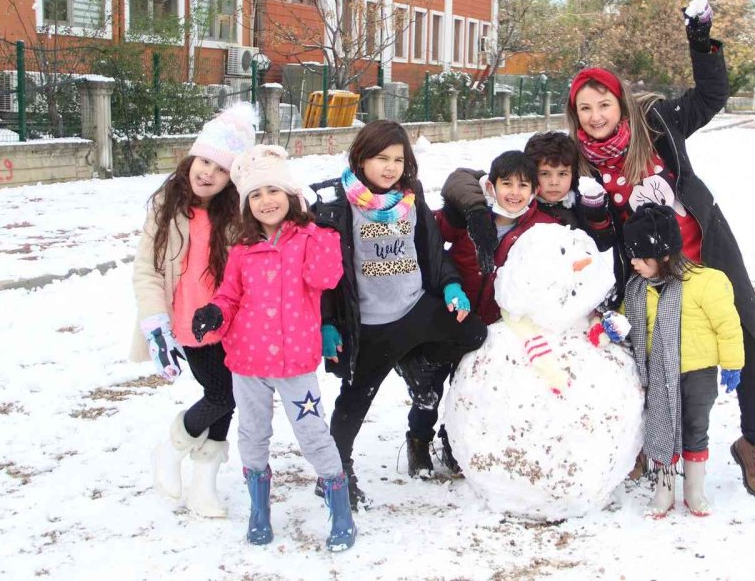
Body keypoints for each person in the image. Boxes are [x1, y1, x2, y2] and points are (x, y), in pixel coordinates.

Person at [563, 0, 755, 500]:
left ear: (620, 103)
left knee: (747, 340)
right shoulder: (578, 161)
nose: (595, 116)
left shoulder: (657, 124)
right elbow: (542, 192)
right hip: (645, 273)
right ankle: (643, 446)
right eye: (584, 108)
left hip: (708, 252)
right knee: (648, 357)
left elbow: (711, 95)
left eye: (604, 104)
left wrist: (700, 40)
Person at [309, 120, 487, 507]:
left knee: (473, 334)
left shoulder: (410, 197)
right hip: (370, 326)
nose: (389, 167)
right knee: (354, 400)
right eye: (379, 158)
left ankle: (414, 360)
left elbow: (432, 248)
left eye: (397, 159)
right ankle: (334, 474)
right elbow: (322, 276)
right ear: (360, 158)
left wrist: (452, 286)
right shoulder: (336, 206)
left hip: (415, 308)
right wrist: (326, 323)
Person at [190, 144, 356, 551]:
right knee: (253, 435)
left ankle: (341, 509)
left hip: (295, 361)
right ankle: (259, 509)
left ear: (291, 196)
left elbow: (326, 278)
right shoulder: (242, 250)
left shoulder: (309, 239)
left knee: (313, 433)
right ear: (248, 204)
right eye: (257, 194)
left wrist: (324, 232)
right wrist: (215, 311)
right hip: (247, 361)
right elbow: (230, 295)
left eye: (274, 191)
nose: (266, 201)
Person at [131, 102, 255, 518]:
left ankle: (203, 486)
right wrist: (155, 324)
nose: (208, 173)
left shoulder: (236, 212)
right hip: (189, 323)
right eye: (204, 161)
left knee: (228, 397)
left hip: (231, 320)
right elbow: (146, 271)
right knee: (222, 392)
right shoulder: (166, 206)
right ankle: (171, 448)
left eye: (220, 169)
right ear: (191, 157)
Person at [620, 203, 745, 517]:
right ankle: (664, 492)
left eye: (640, 256)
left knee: (694, 430)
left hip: (697, 373)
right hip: (660, 376)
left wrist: (732, 363)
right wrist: (611, 326)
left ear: (664, 255)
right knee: (662, 429)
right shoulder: (638, 290)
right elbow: (626, 323)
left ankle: (694, 491)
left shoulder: (707, 283)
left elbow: (728, 326)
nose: (633, 262)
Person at [440, 131, 616, 276]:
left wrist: (597, 218)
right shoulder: (513, 200)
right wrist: (475, 209)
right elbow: (462, 178)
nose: (554, 182)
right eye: (545, 174)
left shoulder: (574, 206)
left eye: (562, 174)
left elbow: (598, 245)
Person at [437, 150, 559, 325]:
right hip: (454, 310)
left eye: (523, 185)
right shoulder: (471, 217)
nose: (515, 192)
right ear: (490, 187)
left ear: (535, 190)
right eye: (507, 184)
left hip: (501, 324)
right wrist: (453, 213)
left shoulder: (543, 227)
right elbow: (430, 240)